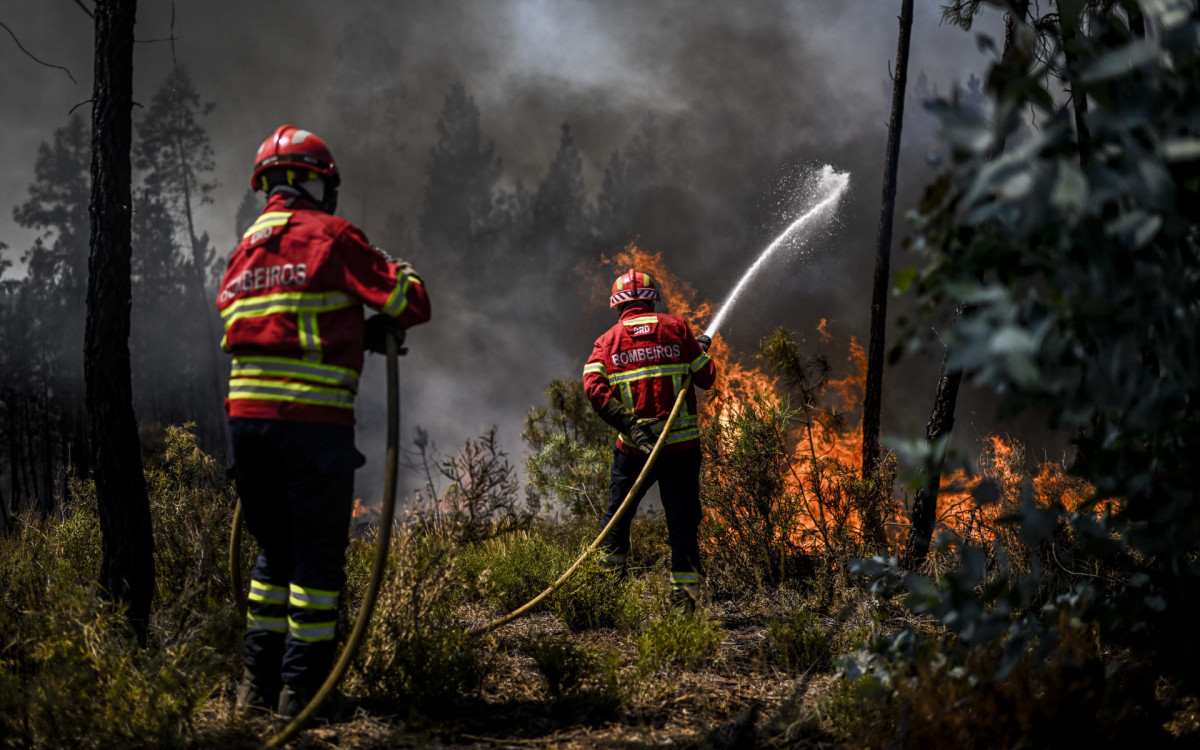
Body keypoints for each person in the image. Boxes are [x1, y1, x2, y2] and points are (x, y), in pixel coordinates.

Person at [218, 124, 431, 719]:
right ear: (316, 182)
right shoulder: (331, 236)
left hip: (246, 427)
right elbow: (410, 304)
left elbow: (281, 329)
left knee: (273, 555)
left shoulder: (244, 251)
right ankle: (304, 695)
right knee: (315, 561)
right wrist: (400, 272)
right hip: (311, 427)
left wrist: (351, 335)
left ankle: (254, 687)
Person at [581, 268, 716, 609]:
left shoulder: (607, 342)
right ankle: (684, 601)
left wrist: (628, 423)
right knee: (682, 522)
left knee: (617, 518)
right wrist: (694, 351)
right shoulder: (677, 328)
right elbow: (706, 378)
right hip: (681, 450)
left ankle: (608, 592)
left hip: (633, 449)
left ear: (617, 305)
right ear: (652, 299)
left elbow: (593, 388)